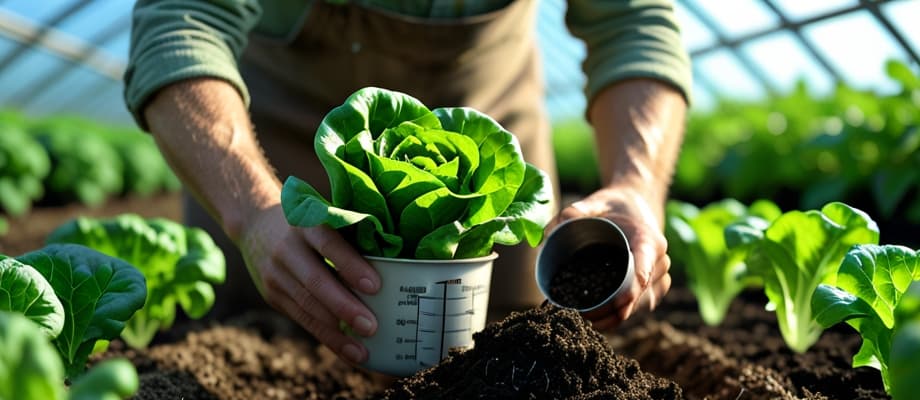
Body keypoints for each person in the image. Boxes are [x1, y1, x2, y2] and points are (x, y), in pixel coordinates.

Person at [124, 0, 691, 365]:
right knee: (244, 347)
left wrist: (635, 183)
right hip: (271, 140)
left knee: (514, 350)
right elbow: (180, 21)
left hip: (489, 118)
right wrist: (251, 212)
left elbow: (633, 19)